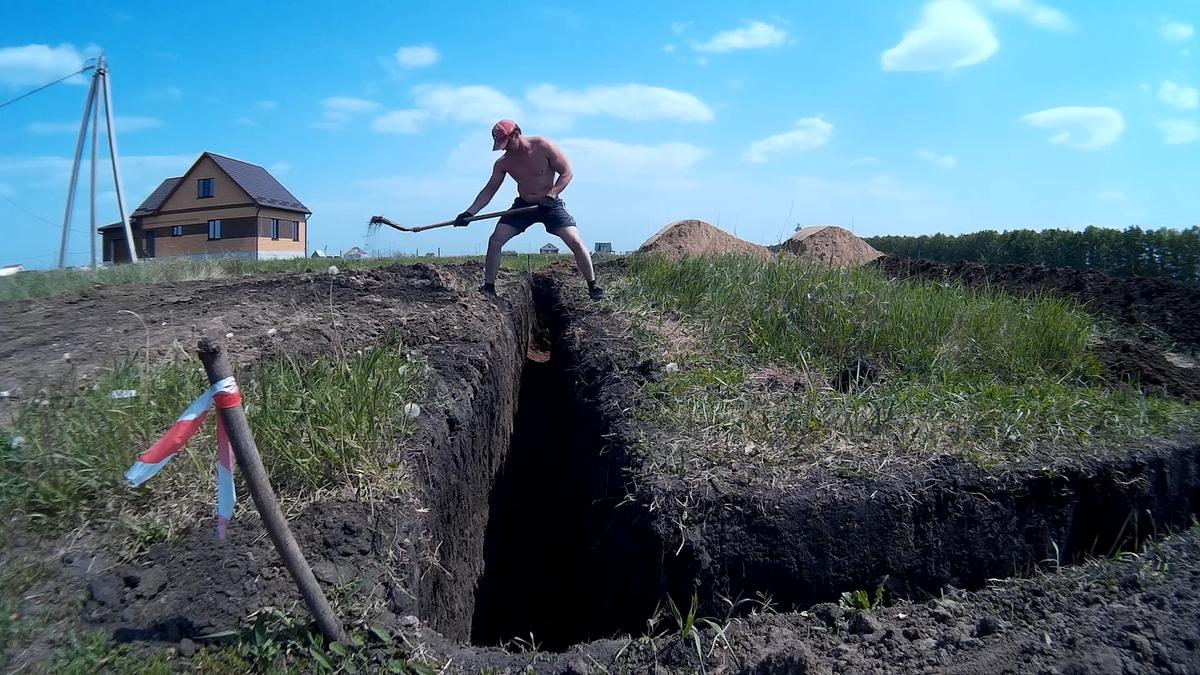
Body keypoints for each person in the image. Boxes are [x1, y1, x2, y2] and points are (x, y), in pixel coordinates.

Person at [455, 119, 604, 299]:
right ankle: (489, 288)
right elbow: (489, 190)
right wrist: (469, 213)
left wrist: (552, 195)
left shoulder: (544, 146)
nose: (504, 148)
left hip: (550, 204)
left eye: (506, 143)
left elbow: (566, 173)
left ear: (516, 135)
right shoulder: (503, 163)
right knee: (495, 241)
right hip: (523, 206)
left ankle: (593, 288)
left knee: (575, 241)